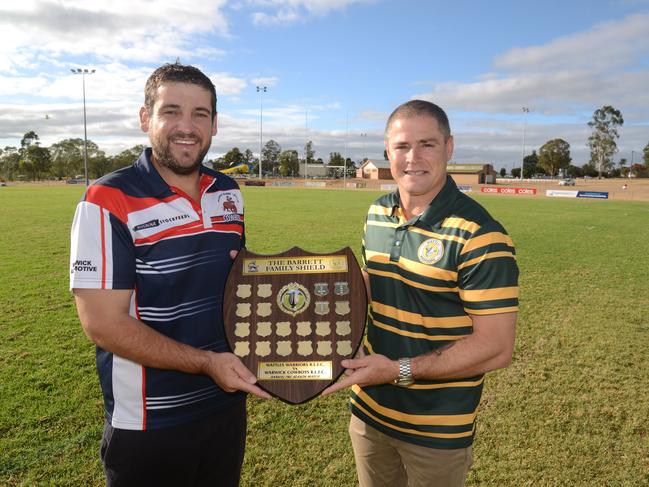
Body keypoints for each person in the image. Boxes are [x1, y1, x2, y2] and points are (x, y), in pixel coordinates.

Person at [70, 63, 270, 486]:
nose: (187, 126)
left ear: (214, 124)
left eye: (200, 114)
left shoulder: (228, 191)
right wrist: (205, 363)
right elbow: (103, 325)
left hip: (226, 405)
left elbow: (239, 285)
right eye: (171, 111)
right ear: (146, 118)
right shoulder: (106, 199)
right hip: (149, 423)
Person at [323, 100, 519, 486]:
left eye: (427, 144)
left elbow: (496, 346)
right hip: (369, 412)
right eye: (401, 146)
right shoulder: (378, 212)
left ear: (449, 148)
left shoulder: (481, 235)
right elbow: (375, 281)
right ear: (386, 152)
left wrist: (397, 371)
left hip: (436, 432)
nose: (413, 158)